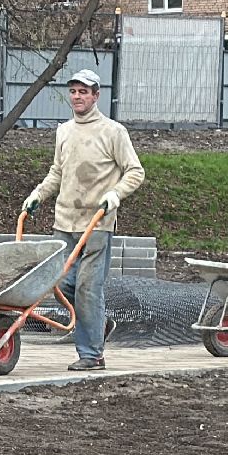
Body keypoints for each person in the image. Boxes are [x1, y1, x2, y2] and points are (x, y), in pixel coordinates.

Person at [22, 68, 145, 371]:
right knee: (61, 285)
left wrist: (114, 196)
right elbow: (57, 172)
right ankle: (98, 324)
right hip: (65, 221)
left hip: (97, 223)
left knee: (89, 289)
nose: (77, 97)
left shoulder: (113, 132)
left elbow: (135, 172)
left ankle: (92, 354)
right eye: (74, 91)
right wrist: (38, 194)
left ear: (96, 95)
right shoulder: (64, 131)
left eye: (84, 92)